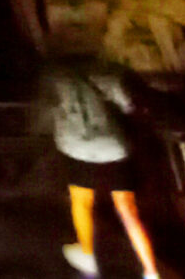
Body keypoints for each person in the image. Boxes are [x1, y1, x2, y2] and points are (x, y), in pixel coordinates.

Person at [46, 58, 161, 279]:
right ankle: (151, 271)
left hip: (77, 146)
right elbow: (127, 105)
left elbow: (48, 111)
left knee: (81, 201)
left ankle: (88, 254)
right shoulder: (105, 69)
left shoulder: (56, 75)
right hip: (113, 146)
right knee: (128, 211)